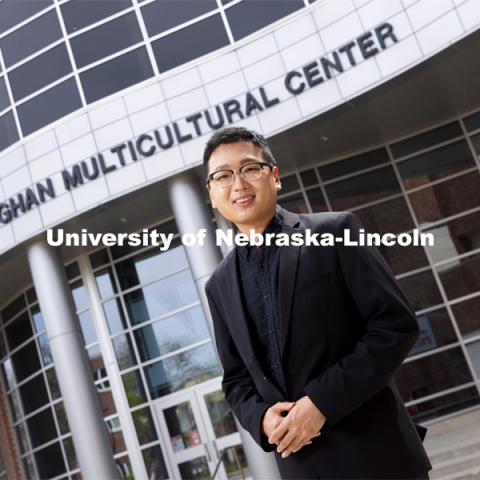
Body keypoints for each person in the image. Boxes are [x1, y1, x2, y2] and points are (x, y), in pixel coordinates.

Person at [203, 126, 432, 479]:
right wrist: (260, 418)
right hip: (302, 468)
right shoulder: (219, 284)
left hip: (379, 459)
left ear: (275, 178)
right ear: (212, 194)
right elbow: (236, 379)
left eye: (250, 169)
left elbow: (394, 325)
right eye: (223, 176)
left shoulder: (336, 232)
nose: (238, 184)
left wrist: (322, 404)